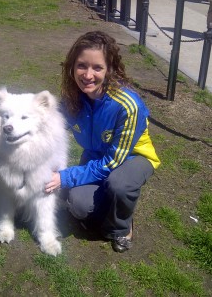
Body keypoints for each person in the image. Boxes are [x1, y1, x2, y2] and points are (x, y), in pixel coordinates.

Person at [45, 31, 161, 253]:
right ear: (72, 66)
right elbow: (49, 125)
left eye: (97, 67)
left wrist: (64, 176)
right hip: (97, 155)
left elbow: (112, 162)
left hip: (133, 157)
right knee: (78, 205)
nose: (88, 75)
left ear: (109, 69)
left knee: (119, 184)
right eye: (81, 66)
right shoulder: (73, 97)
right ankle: (114, 207)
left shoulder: (127, 105)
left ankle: (122, 228)